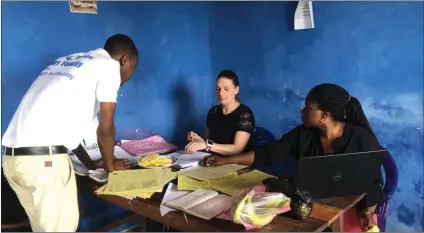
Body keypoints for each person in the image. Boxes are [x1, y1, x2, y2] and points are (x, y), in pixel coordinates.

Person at [1, 34, 138, 232]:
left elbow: (67, 137)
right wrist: (111, 168)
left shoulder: (69, 62)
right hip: (43, 164)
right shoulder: (109, 67)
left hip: (14, 161)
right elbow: (106, 127)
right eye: (129, 74)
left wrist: (92, 165)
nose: (124, 81)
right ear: (124, 60)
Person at [203, 83, 383, 232]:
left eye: (308, 107)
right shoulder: (303, 135)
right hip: (312, 205)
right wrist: (227, 159)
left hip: (350, 209)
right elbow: (269, 154)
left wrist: (366, 212)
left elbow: (373, 183)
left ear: (324, 116)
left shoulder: (361, 140)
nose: (302, 111)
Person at [185, 70, 255, 156]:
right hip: (214, 161)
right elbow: (209, 143)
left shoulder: (245, 114)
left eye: (226, 89)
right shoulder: (213, 112)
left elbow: (237, 149)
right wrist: (198, 140)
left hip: (236, 164)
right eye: (218, 89)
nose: (221, 93)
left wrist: (207, 144)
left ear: (236, 90)